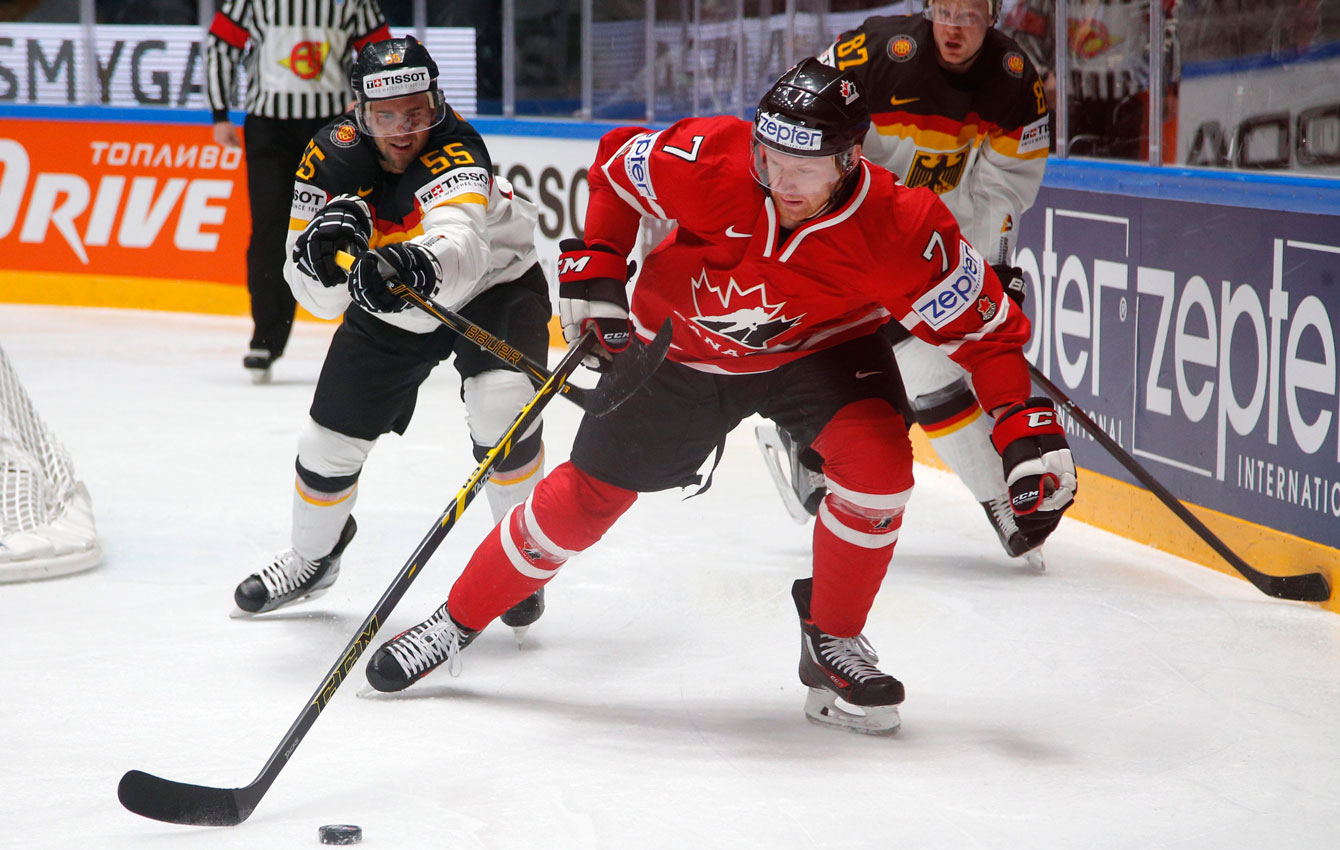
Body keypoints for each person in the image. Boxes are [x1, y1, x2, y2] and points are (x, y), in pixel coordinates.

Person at [359, 59, 1078, 735]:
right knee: (583, 499)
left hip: (821, 352)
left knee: (883, 471)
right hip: (686, 350)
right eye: (774, 160)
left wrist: (1023, 436)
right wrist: (602, 269)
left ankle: (832, 636)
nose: (783, 181)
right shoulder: (710, 160)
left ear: (852, 159)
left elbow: (987, 335)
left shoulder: (904, 227)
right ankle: (453, 623)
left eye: (806, 168)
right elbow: (615, 162)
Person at [231, 36, 549, 640]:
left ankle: (519, 569)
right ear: (359, 112)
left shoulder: (456, 145)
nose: (403, 130)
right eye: (386, 115)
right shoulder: (328, 157)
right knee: (325, 444)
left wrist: (410, 264)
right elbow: (313, 295)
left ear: (437, 103)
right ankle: (313, 560)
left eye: (416, 111)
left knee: (500, 407)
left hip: (496, 283)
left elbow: (462, 248)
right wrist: (324, 259)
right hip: (390, 294)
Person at [757, 0, 1054, 568]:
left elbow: (1001, 188)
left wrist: (991, 266)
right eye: (944, 11)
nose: (955, 27)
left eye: (968, 15)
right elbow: (798, 120)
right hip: (839, 220)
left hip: (923, 233)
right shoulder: (874, 54)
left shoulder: (1014, 82)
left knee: (930, 368)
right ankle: (810, 441)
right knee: (905, 362)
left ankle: (814, 447)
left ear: (992, 16)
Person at [205, 0, 390, 383]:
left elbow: (380, 50)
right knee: (271, 229)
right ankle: (266, 337)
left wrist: (369, 99)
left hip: (333, 126)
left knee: (348, 222)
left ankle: (366, 333)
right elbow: (221, 43)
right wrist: (219, 113)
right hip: (268, 127)